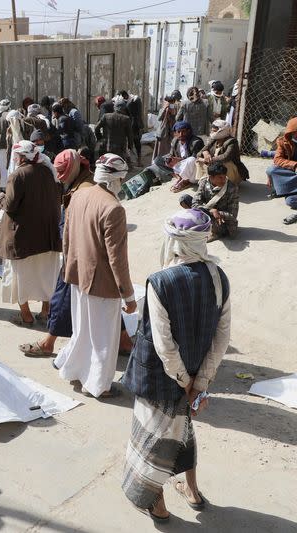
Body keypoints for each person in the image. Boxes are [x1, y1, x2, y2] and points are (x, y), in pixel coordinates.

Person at [121, 208, 230, 523]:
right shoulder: (219, 277)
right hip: (195, 374)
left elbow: (164, 344)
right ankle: (193, 491)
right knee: (184, 432)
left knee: (153, 438)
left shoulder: (159, 281)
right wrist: (201, 381)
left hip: (160, 376)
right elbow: (222, 338)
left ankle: (157, 504)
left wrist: (185, 380)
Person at [53, 154, 135, 398]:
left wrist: (68, 269)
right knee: (103, 338)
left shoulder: (78, 195)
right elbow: (117, 259)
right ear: (116, 179)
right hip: (102, 284)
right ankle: (99, 385)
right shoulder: (113, 208)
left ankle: (77, 372)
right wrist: (128, 295)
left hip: (78, 276)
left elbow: (66, 239)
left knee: (83, 330)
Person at [20, 148, 93, 356]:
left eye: (63, 170)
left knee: (62, 296)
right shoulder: (76, 184)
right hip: (79, 253)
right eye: (57, 171)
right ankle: (124, 342)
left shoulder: (83, 190)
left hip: (79, 255)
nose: (59, 175)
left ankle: (48, 342)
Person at [0, 140, 62, 328]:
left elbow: (10, 206)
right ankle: (45, 311)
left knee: (20, 278)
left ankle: (26, 316)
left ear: (21, 158)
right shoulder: (48, 172)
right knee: (46, 276)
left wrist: (1, 198)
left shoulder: (18, 175)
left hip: (23, 238)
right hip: (47, 236)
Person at [186, 162, 239, 241]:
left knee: (213, 215)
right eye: (220, 177)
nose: (223, 180)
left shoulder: (232, 188)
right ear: (211, 177)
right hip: (207, 211)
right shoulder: (204, 182)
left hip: (222, 221)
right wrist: (210, 210)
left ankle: (215, 233)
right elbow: (195, 203)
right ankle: (202, 224)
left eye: (225, 177)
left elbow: (233, 215)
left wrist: (218, 213)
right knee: (184, 199)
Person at [154, 121, 205, 193]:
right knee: (157, 160)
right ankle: (178, 177)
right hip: (181, 167)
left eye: (184, 132)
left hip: (193, 172)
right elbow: (171, 154)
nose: (181, 134)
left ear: (189, 131)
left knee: (191, 160)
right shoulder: (175, 141)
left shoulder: (196, 142)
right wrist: (170, 159)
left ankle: (185, 181)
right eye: (179, 132)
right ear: (175, 133)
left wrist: (179, 160)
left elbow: (196, 160)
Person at [195, 119, 248, 185]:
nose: (212, 132)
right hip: (215, 165)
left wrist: (209, 160)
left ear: (223, 131)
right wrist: (205, 153)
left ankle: (228, 183)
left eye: (214, 131)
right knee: (198, 161)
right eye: (212, 130)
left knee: (225, 163)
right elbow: (199, 153)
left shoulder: (232, 142)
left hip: (233, 171)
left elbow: (225, 157)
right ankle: (205, 181)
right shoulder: (213, 140)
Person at [266, 117, 297, 224]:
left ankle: (285, 190)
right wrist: (295, 165)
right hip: (291, 171)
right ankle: (284, 190)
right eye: (294, 132)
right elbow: (277, 159)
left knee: (291, 201)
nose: (296, 135)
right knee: (271, 170)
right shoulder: (282, 141)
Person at [118, 90, 144, 166]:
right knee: (130, 143)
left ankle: (138, 160)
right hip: (130, 125)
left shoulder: (135, 100)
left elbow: (137, 115)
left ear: (125, 96)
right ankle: (130, 160)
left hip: (134, 125)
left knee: (135, 142)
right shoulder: (129, 100)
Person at [154, 93, 180, 159]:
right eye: (170, 102)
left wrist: (173, 112)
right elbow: (159, 118)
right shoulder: (162, 109)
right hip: (163, 133)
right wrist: (165, 109)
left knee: (170, 149)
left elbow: (175, 120)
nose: (171, 104)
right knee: (161, 150)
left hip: (171, 133)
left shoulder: (174, 109)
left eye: (172, 103)